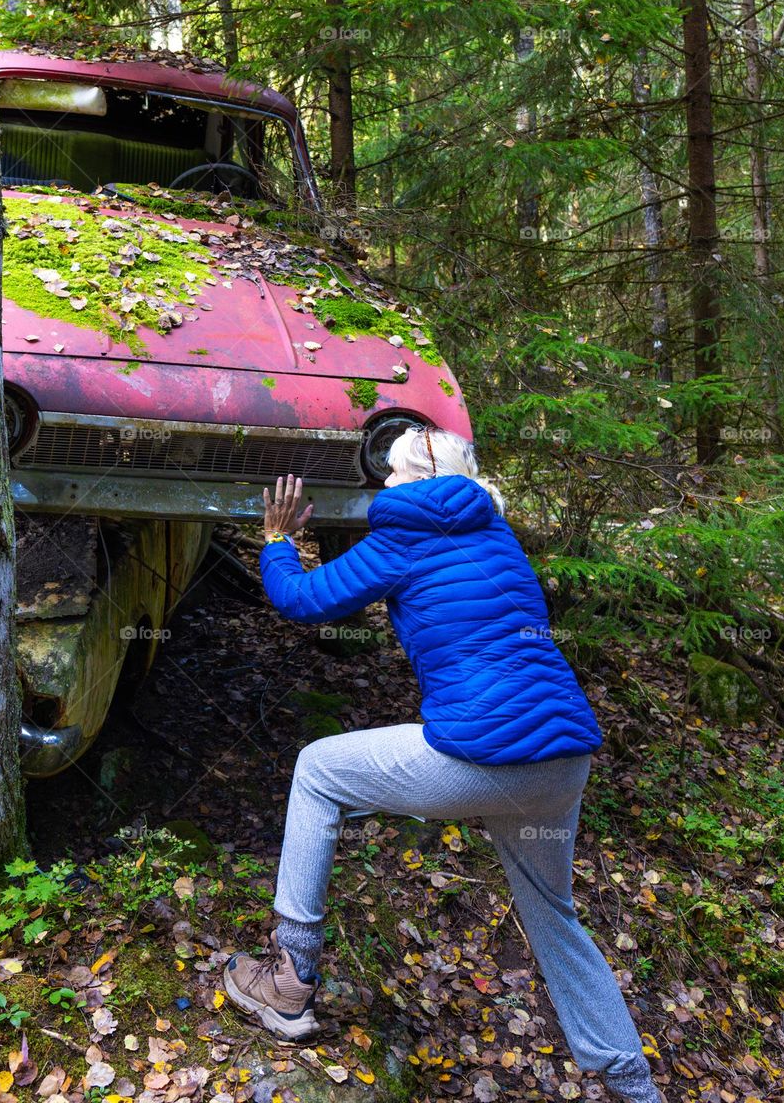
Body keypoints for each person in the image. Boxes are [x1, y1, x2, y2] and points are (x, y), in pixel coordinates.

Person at [223, 426, 662, 1103]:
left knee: (316, 769)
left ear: (400, 480)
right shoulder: (498, 535)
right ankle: (636, 1088)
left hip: (483, 754)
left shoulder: (402, 535)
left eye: (389, 474)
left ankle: (289, 979)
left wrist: (278, 541)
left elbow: (304, 601)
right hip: (562, 758)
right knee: (553, 916)